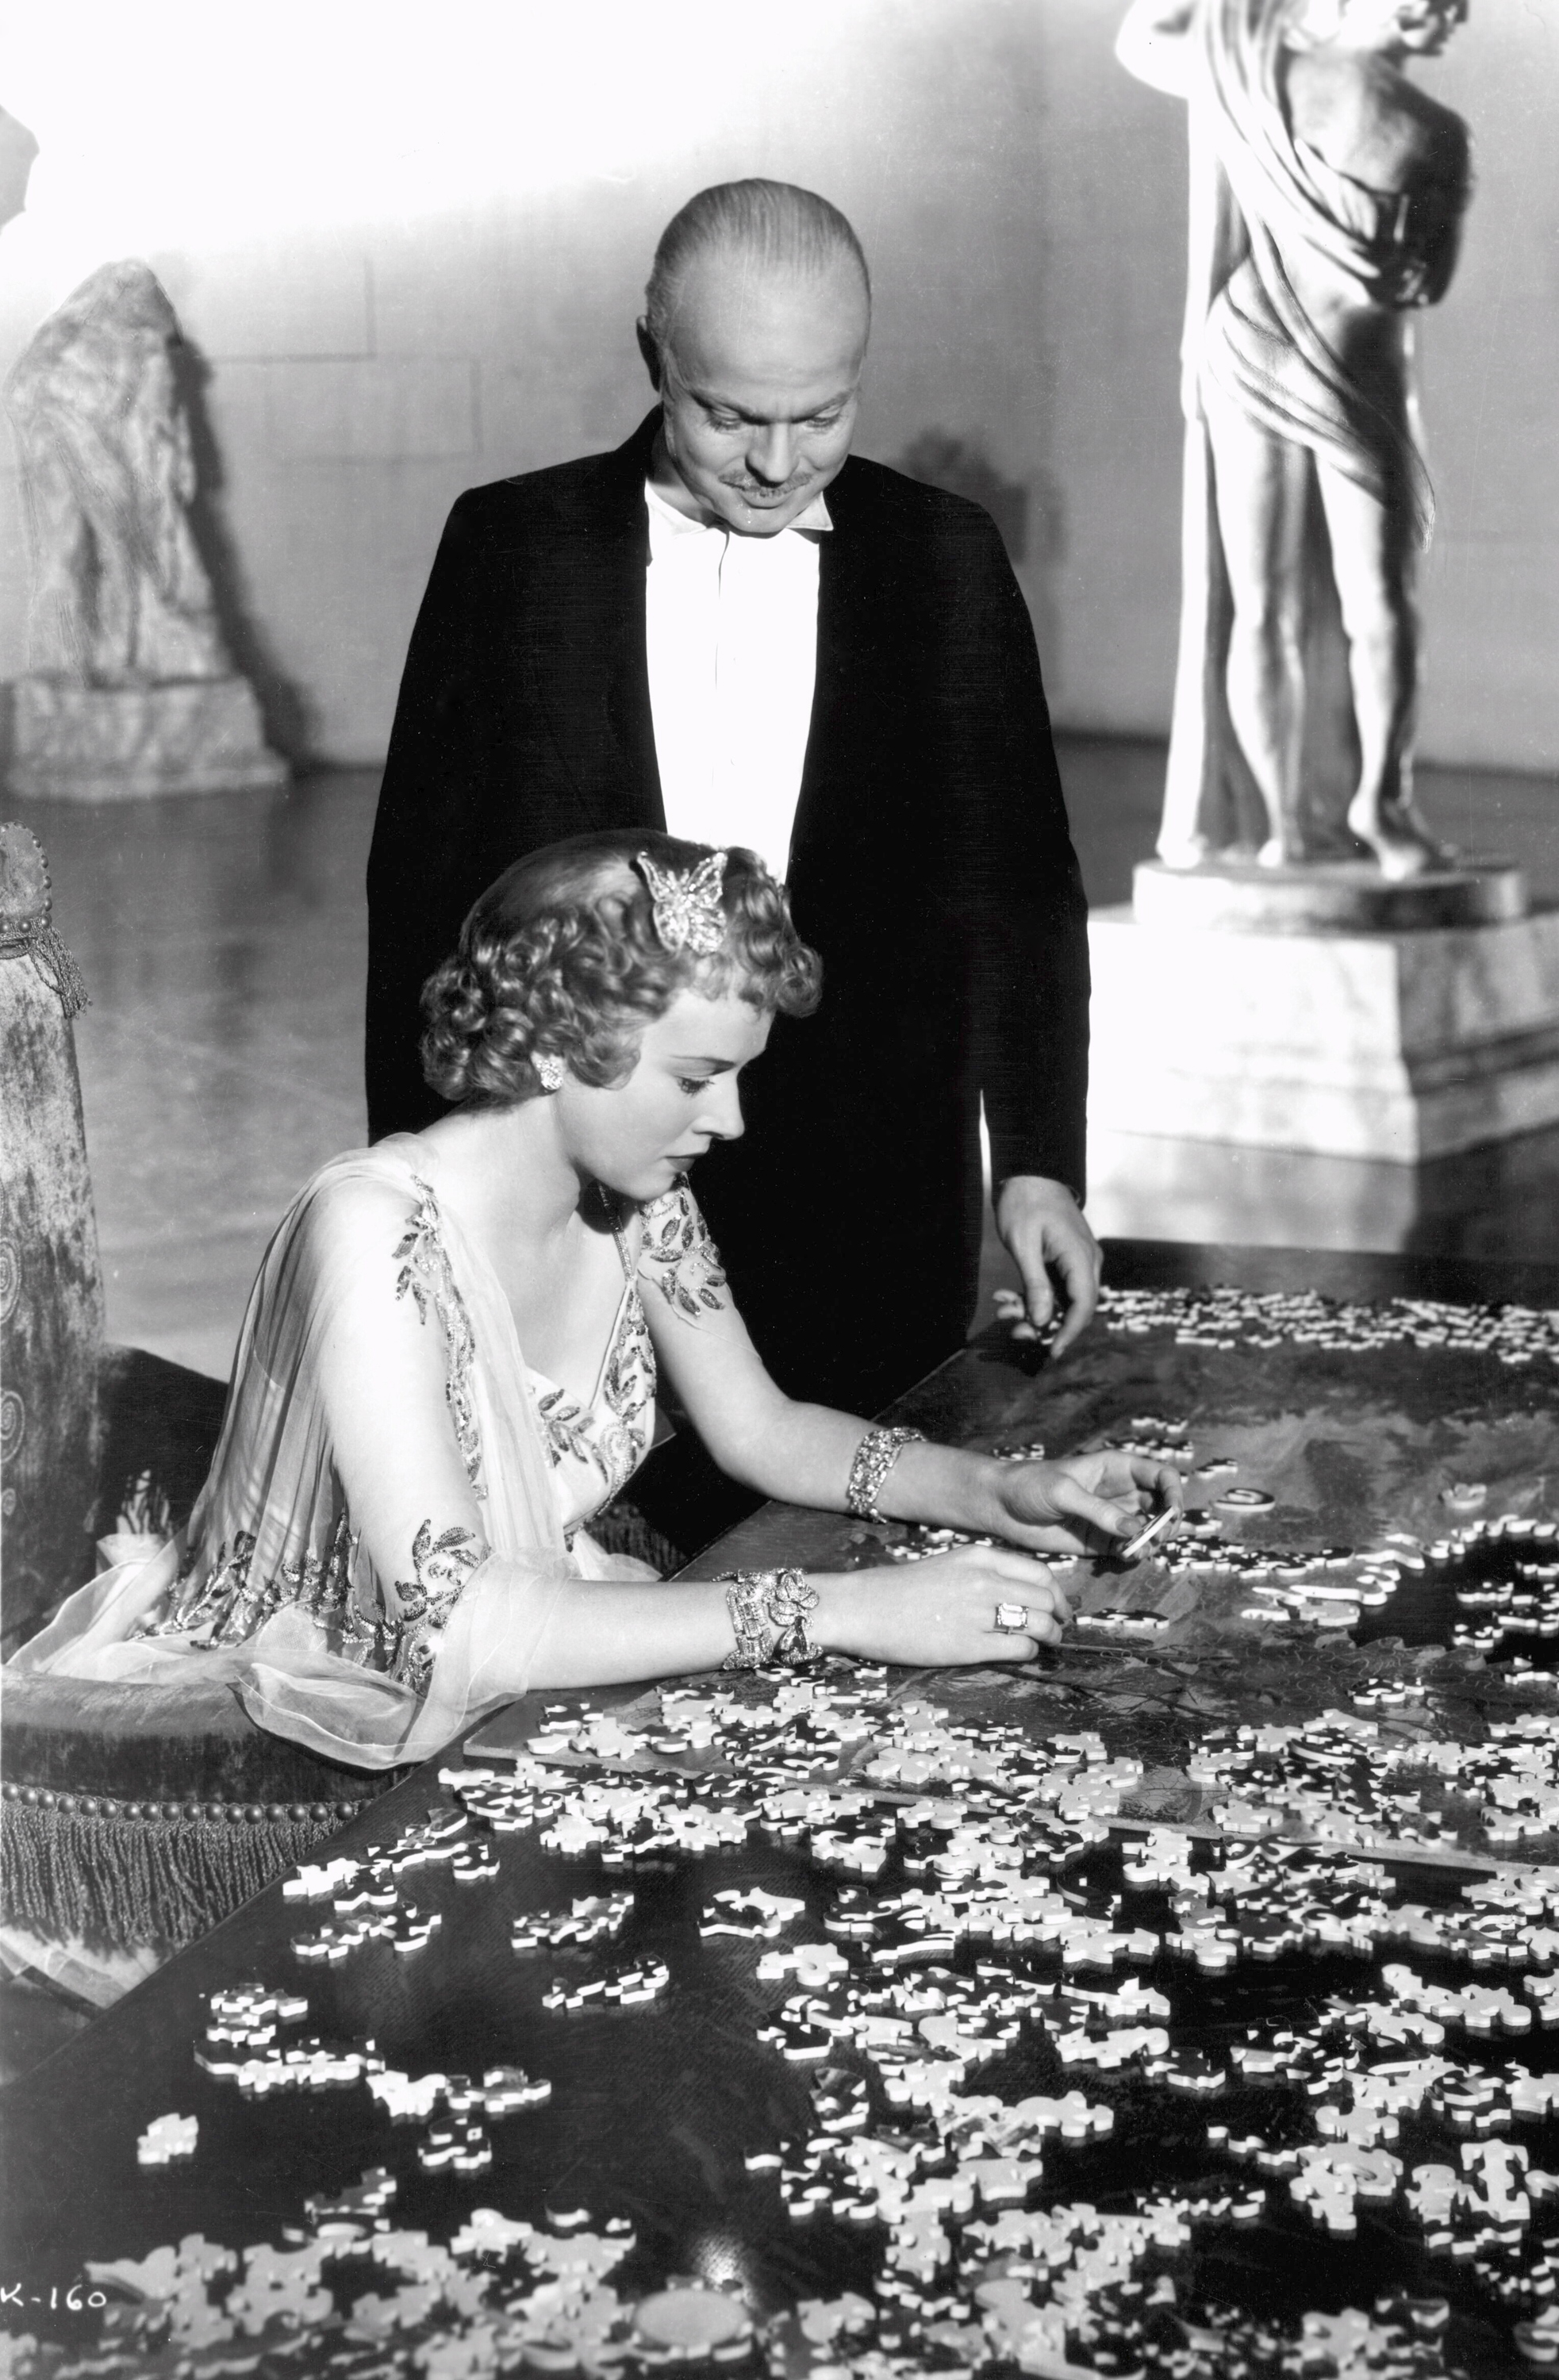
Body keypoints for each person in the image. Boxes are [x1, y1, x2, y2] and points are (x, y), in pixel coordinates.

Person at [11, 835, 1173, 1770]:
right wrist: (851, 1607)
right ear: (561, 1046)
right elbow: (461, 1628)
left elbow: (760, 1429)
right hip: (338, 1711)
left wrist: (998, 1490)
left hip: (551, 1635)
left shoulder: (642, 1199)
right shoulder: (373, 1230)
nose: (732, 1123)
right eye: (695, 1079)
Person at [364, 180, 1098, 1472]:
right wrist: (415, 1195)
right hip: (583, 1188)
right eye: (729, 416)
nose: (775, 462)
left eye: (820, 415)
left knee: (861, 1539)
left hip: (878, 1193)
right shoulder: (512, 551)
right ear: (654, 355)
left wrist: (1039, 1162)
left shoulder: (946, 556)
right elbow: (423, 900)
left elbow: (1021, 884)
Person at [1116, 0, 1473, 877]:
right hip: (1350, 369)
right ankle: (1379, 810)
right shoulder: (1437, 131)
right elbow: (1428, 281)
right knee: (1377, 607)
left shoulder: (1256, 73)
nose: (1454, 14)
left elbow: (1141, 38)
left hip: (1250, 348)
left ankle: (1289, 827)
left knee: (1268, 608)